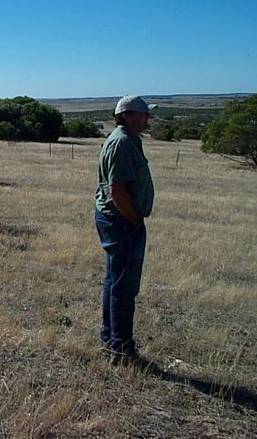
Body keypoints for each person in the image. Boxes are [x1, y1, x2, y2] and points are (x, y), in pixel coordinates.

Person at [95, 95, 156, 365]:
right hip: (121, 221)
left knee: (115, 282)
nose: (148, 118)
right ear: (128, 115)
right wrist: (133, 219)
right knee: (123, 286)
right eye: (144, 114)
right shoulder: (121, 142)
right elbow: (117, 190)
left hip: (118, 220)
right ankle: (120, 349)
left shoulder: (128, 139)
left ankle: (111, 341)